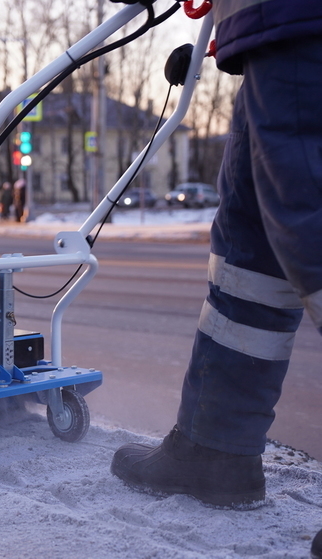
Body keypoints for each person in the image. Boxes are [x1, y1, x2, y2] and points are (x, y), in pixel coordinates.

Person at [109, 0, 322, 522]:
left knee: (311, 224)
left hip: (301, 21)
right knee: (251, 253)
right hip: (266, 29)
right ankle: (214, 449)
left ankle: (215, 445)